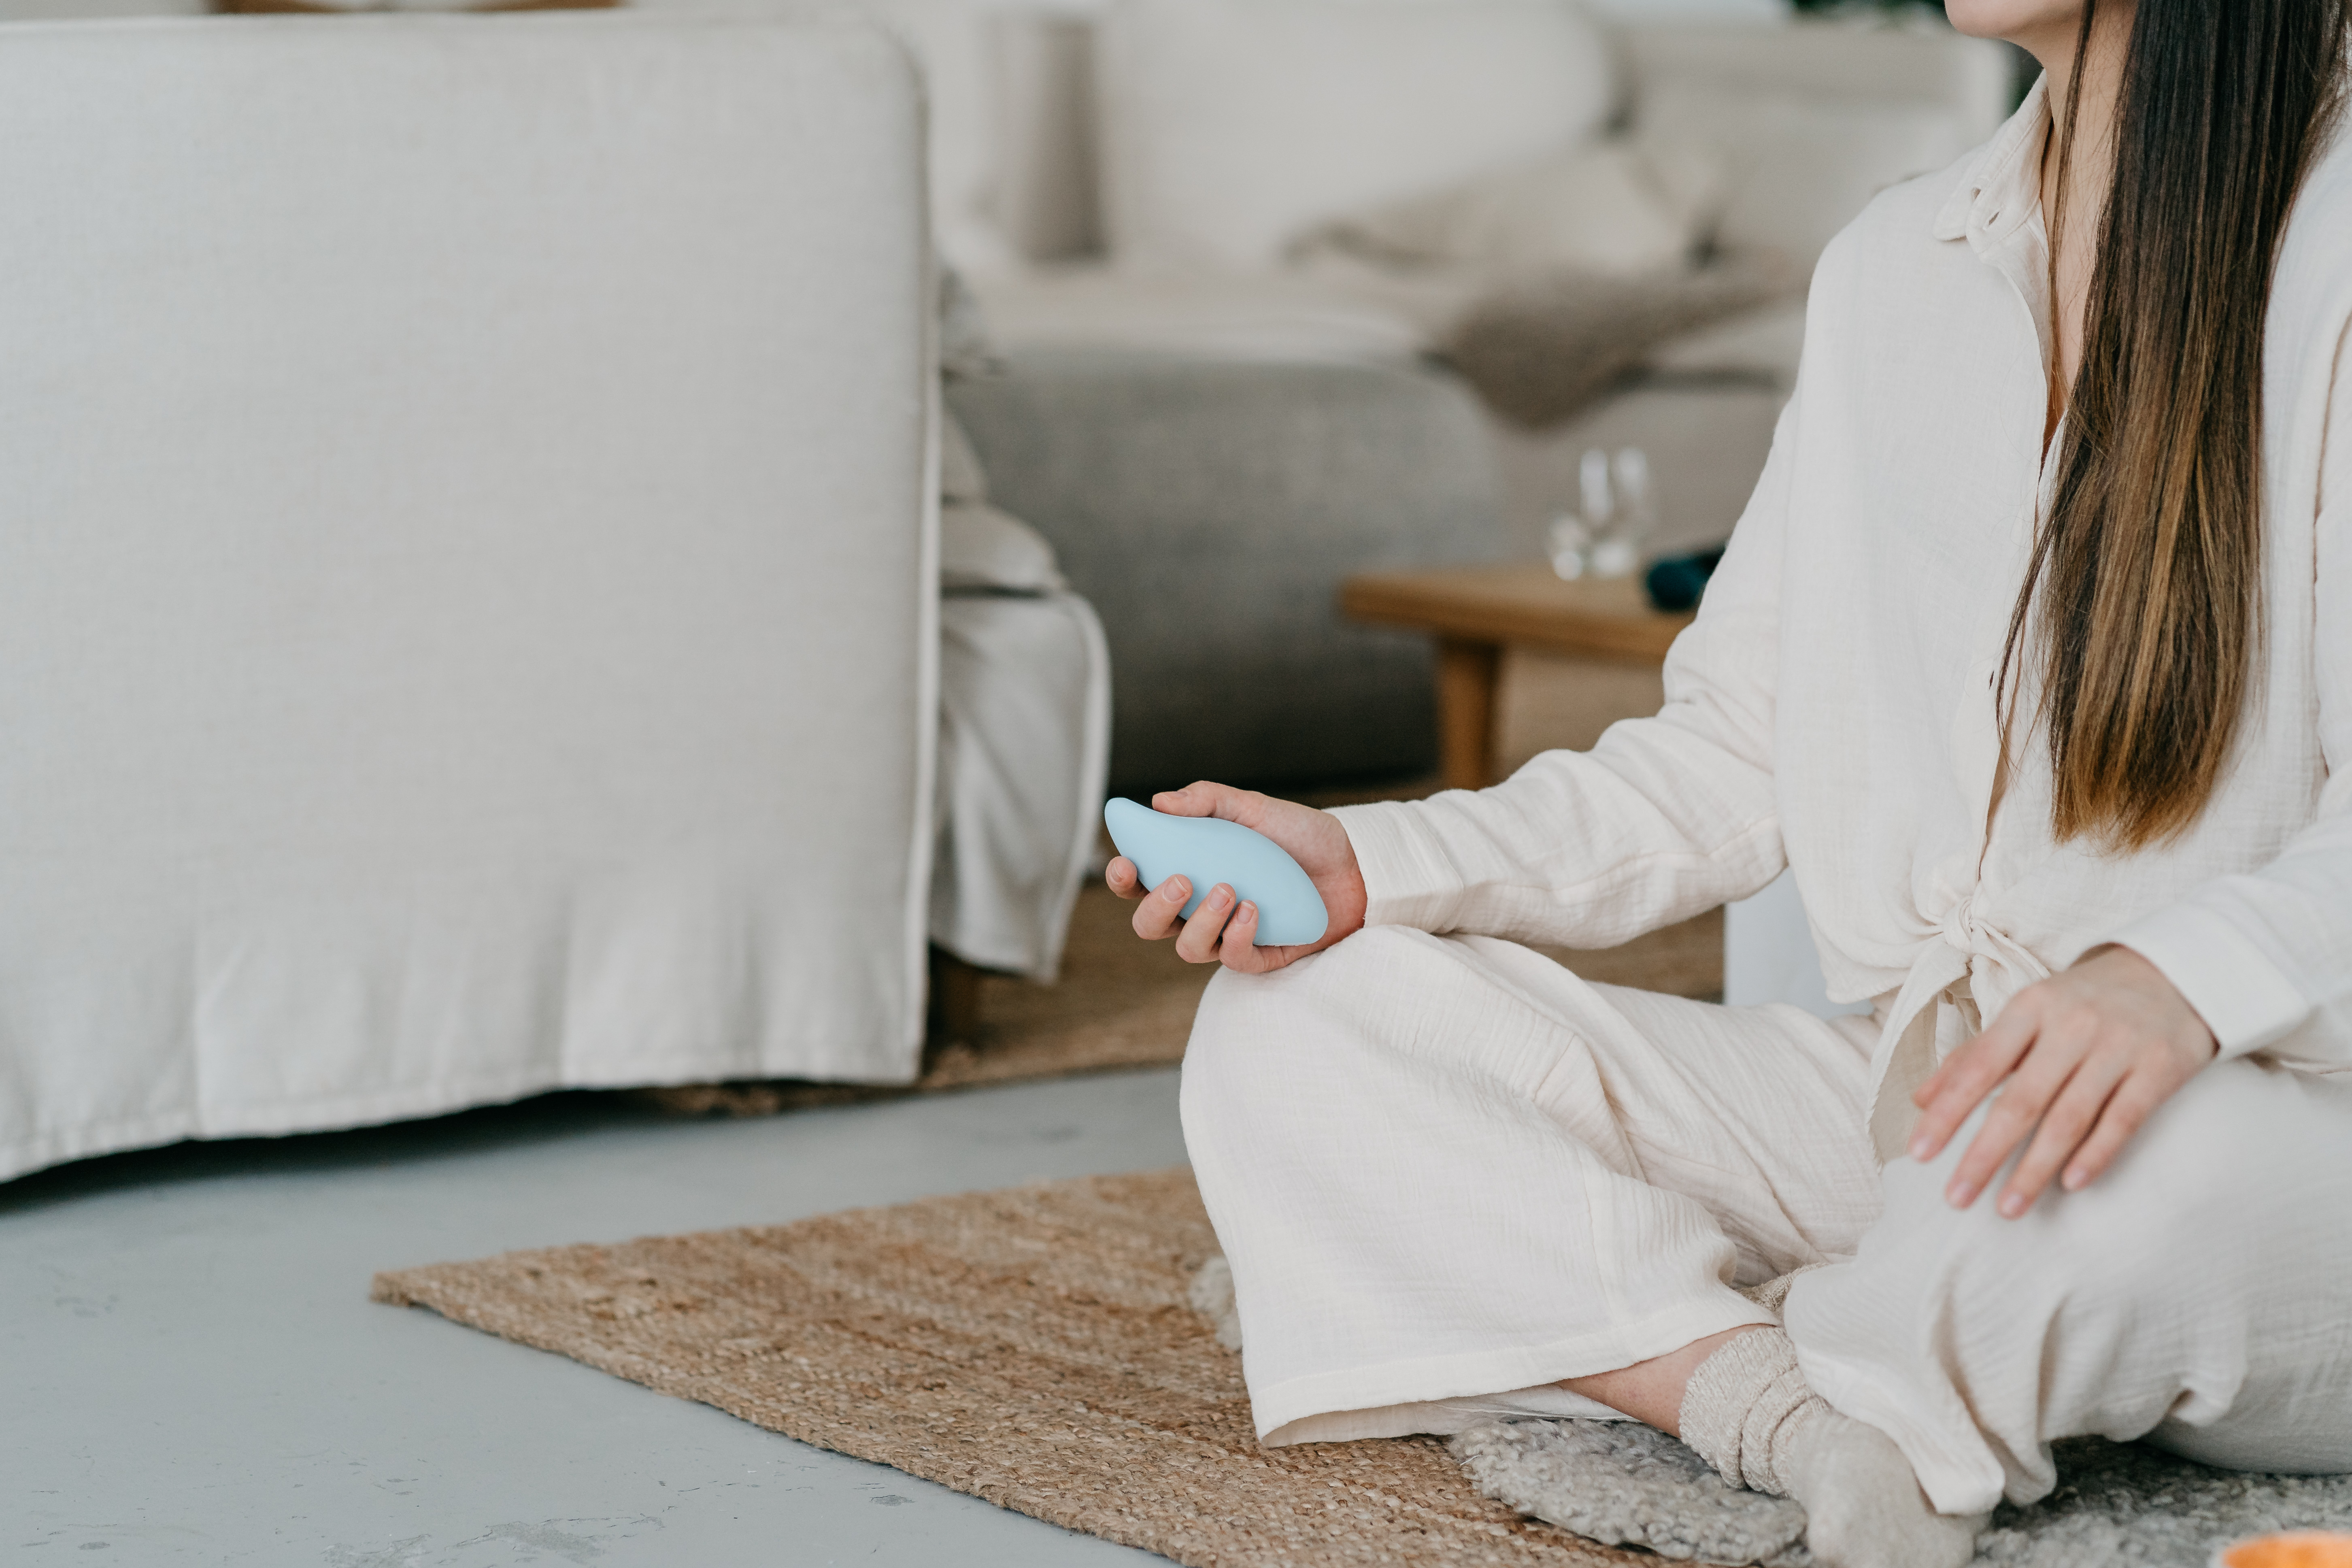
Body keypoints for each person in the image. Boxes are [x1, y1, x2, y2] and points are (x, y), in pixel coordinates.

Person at [1107, 2, 2352, 1564]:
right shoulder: (1894, 268)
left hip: (2279, 1130)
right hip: (1935, 1102)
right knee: (1294, 1025)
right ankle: (1795, 1413)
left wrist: (2177, 981)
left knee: (2118, 1180)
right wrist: (1376, 862)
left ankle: (1618, 1304)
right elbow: (1731, 748)